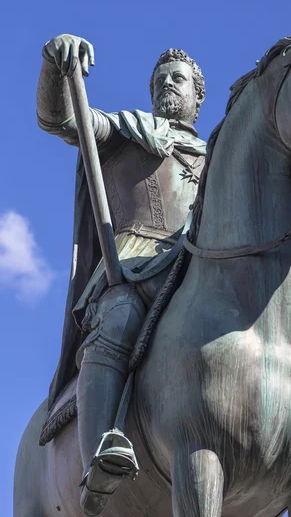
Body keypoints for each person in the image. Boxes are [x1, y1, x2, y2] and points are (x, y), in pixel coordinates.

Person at [37, 35, 207, 516]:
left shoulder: (219, 156)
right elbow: (62, 120)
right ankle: (98, 461)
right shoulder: (126, 129)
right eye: (158, 80)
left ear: (198, 95)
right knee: (117, 316)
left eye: (177, 79)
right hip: (134, 263)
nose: (165, 86)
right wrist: (56, 63)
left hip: (198, 263)